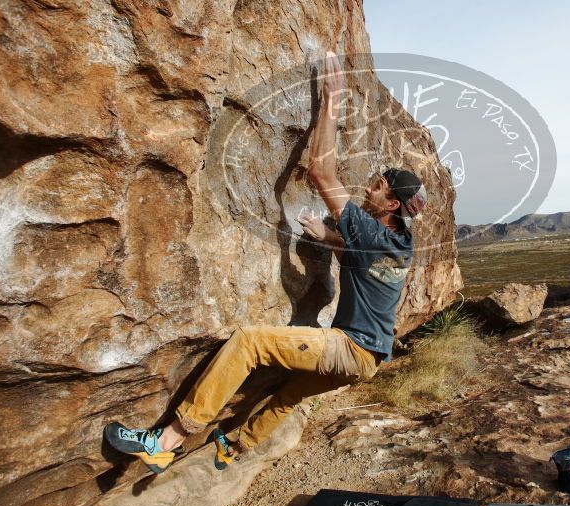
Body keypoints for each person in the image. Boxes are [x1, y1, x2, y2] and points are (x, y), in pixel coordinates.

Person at [103, 51, 428, 473]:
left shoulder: (372, 232)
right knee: (288, 396)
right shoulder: (400, 242)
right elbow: (365, 262)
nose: (368, 188)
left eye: (378, 186)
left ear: (392, 205)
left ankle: (165, 442)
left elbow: (321, 172)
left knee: (249, 343)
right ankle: (234, 447)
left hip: (350, 348)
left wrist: (330, 101)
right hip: (370, 358)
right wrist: (329, 237)